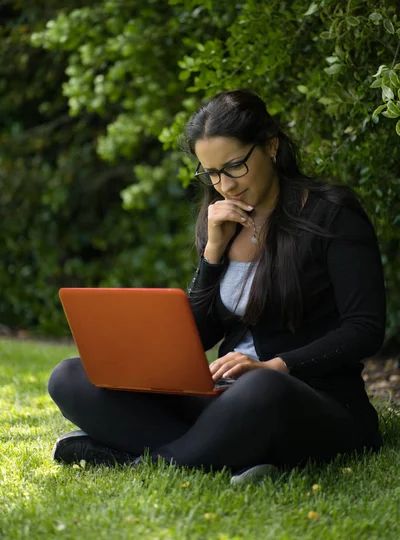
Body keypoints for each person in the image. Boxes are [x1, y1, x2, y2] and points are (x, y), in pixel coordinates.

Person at [48, 89, 386, 485]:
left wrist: (276, 366)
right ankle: (228, 453)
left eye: (235, 166)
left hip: (307, 399)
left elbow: (364, 329)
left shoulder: (332, 215)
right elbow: (197, 335)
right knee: (70, 377)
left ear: (271, 146)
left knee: (261, 388)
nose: (224, 184)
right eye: (210, 173)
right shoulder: (219, 219)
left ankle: (140, 460)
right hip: (222, 398)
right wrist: (212, 253)